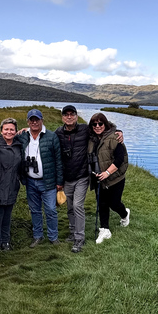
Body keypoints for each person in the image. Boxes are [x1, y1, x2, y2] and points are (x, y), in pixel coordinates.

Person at [55, 105, 124, 253]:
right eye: (66, 114)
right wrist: (24, 131)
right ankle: (73, 231)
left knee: (78, 205)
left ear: (75, 116)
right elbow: (45, 138)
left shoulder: (84, 130)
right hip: (67, 177)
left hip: (82, 176)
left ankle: (79, 238)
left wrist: (118, 132)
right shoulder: (58, 133)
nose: (69, 117)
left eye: (72, 114)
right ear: (62, 117)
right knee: (70, 207)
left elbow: (104, 131)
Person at [18, 109, 63, 248]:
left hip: (48, 181)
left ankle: (53, 237)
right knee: (35, 210)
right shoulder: (22, 136)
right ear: (28, 122)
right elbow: (6, 137)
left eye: (37, 119)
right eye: (31, 120)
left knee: (50, 210)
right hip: (30, 181)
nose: (34, 122)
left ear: (42, 120)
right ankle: (38, 236)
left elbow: (58, 161)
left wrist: (59, 182)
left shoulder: (51, 136)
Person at [87, 113, 129, 244]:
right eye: (94, 124)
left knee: (114, 203)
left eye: (100, 123)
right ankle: (105, 230)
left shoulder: (115, 137)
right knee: (102, 204)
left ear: (105, 124)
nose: (97, 126)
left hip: (115, 178)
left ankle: (125, 214)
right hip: (99, 178)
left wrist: (107, 172)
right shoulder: (90, 138)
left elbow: (120, 159)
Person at [0, 118, 23, 254]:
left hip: (12, 186)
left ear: (16, 131)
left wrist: (25, 130)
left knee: (7, 216)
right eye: (6, 129)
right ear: (1, 130)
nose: (9, 132)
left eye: (12, 129)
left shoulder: (19, 145)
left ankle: (6, 241)